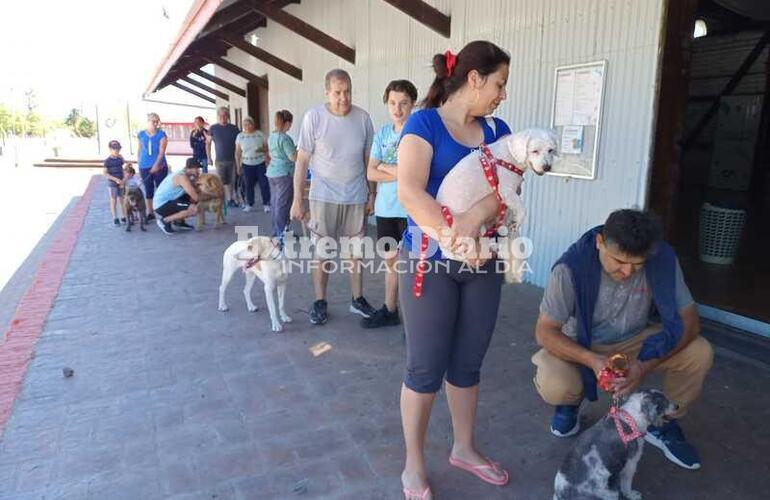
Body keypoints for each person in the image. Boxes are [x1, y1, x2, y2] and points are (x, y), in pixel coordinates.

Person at [397, 41, 513, 499]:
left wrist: (472, 221)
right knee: (425, 367)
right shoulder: (424, 123)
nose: (502, 94)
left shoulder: (498, 130)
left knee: (468, 362)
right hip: (431, 263)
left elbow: (509, 188)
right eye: (499, 84)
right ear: (475, 78)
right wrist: (456, 238)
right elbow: (409, 192)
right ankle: (412, 465)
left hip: (484, 263)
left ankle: (464, 448)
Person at [533, 209, 713, 470]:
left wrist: (643, 366)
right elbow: (545, 331)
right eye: (618, 260)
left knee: (700, 352)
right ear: (599, 243)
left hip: (635, 340)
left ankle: (662, 421)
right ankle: (569, 405)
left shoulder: (661, 259)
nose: (628, 271)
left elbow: (690, 322)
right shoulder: (570, 268)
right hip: (582, 344)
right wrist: (592, 360)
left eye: (638, 264)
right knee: (555, 383)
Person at [290, 69, 377, 325]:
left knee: (355, 253)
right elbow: (302, 161)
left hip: (356, 197)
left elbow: (368, 161)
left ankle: (357, 299)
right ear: (327, 92)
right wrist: (298, 199)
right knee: (323, 253)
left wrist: (372, 194)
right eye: (337, 92)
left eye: (347, 91)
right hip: (323, 197)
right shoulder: (314, 118)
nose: (343, 97)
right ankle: (320, 301)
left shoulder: (363, 118)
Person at [361, 80, 417, 329]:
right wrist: (397, 171)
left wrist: (384, 165)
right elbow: (371, 172)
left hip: (411, 210)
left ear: (412, 104)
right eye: (393, 103)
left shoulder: (418, 132)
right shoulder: (383, 134)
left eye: (404, 103)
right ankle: (390, 309)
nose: (398, 108)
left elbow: (416, 173)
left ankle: (414, 318)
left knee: (413, 266)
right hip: (386, 210)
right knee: (391, 262)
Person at [268, 110, 298, 238]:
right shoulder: (285, 138)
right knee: (283, 204)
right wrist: (299, 151)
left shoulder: (272, 136)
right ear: (286, 123)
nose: (290, 126)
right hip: (284, 174)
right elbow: (293, 157)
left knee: (275, 203)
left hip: (272, 172)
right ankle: (281, 233)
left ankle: (277, 230)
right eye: (290, 123)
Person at [153, 158, 201, 235]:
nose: (198, 171)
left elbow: (192, 195)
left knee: (188, 197)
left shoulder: (185, 173)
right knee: (195, 209)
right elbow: (195, 196)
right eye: (197, 168)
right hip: (161, 205)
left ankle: (179, 222)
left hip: (167, 201)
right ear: (191, 168)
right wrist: (210, 197)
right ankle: (164, 221)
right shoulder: (182, 177)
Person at [137, 112, 169, 221]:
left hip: (160, 166)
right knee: (148, 189)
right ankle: (150, 212)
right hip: (144, 165)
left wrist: (156, 165)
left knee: (161, 189)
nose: (155, 124)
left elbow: (161, 152)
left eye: (157, 121)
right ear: (148, 122)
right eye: (153, 121)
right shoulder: (141, 134)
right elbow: (140, 149)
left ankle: (163, 211)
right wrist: (139, 164)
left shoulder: (161, 135)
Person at [235, 116, 271, 213]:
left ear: (253, 124)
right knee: (248, 185)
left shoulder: (260, 134)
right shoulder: (240, 136)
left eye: (249, 124)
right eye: (245, 125)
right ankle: (249, 204)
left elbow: (266, 148)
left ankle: (266, 204)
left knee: (264, 184)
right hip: (246, 164)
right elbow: (238, 152)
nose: (247, 126)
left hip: (260, 163)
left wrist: (262, 151)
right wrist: (238, 166)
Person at [209, 107, 241, 207]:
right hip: (220, 160)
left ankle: (230, 199)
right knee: (220, 182)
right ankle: (220, 200)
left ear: (228, 116)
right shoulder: (213, 128)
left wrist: (240, 159)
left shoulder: (234, 128)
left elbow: (239, 144)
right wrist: (209, 156)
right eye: (221, 115)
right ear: (218, 116)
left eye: (225, 115)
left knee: (231, 181)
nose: (223, 117)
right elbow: (208, 143)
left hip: (232, 159)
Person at [103, 139, 126, 226]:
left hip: (121, 182)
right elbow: (105, 173)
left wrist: (123, 180)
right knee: (113, 200)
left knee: (122, 200)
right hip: (112, 183)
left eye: (118, 149)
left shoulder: (120, 159)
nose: (116, 150)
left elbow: (123, 168)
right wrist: (115, 179)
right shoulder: (107, 161)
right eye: (114, 149)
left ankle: (124, 216)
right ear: (110, 149)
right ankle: (115, 217)